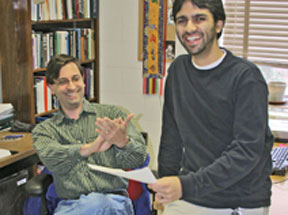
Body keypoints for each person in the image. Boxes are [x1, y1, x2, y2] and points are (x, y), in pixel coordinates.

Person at [148, 0, 274, 215]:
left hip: (237, 199)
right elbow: (172, 136)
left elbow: (246, 151)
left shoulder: (246, 78)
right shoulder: (178, 70)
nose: (189, 28)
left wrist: (184, 185)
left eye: (199, 18)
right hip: (189, 193)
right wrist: (165, 184)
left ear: (218, 25)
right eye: (182, 20)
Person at [32, 54, 147, 215]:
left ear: (84, 81)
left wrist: (123, 143)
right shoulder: (44, 130)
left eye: (76, 79)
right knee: (93, 203)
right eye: (63, 82)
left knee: (101, 203)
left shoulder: (111, 115)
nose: (72, 86)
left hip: (114, 203)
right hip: (71, 206)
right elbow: (52, 159)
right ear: (51, 88)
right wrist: (88, 149)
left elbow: (139, 158)